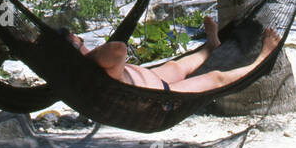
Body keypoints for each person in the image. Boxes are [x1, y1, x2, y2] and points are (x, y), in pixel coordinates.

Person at [63, 16, 280, 92]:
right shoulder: (92, 66)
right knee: (214, 79)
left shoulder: (86, 68)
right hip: (160, 97)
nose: (84, 45)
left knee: (178, 66)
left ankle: (210, 46)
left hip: (149, 79)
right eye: (78, 43)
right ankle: (262, 59)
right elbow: (119, 49)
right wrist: (88, 60)